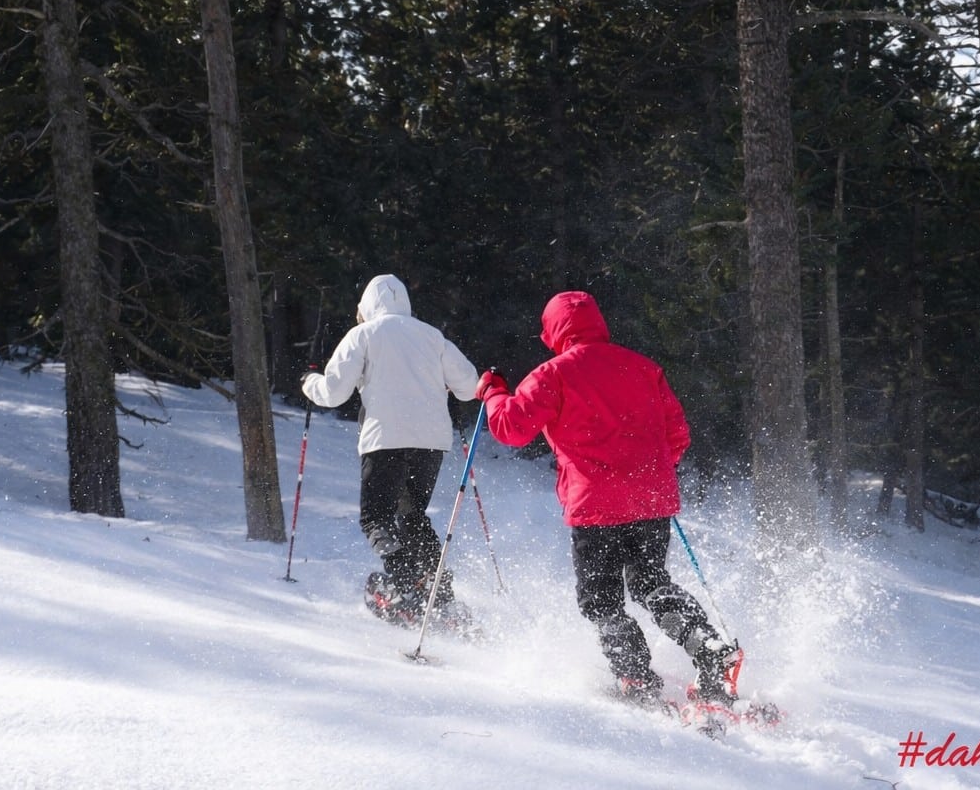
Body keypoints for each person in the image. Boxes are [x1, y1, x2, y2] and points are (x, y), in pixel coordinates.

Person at [475, 290, 739, 706]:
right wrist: (643, 470)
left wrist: (492, 391)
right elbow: (678, 436)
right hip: (651, 499)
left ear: (552, 331)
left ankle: (634, 677)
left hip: (595, 505)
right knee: (652, 582)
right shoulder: (644, 367)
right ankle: (709, 649)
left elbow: (510, 428)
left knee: (601, 599)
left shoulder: (554, 374)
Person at [302, 274, 479, 624]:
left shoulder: (363, 335)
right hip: (430, 441)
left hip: (384, 439)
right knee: (412, 515)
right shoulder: (432, 336)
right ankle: (437, 589)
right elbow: (470, 386)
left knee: (376, 518)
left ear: (367, 306)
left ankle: (402, 583)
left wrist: (309, 384)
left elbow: (334, 393)